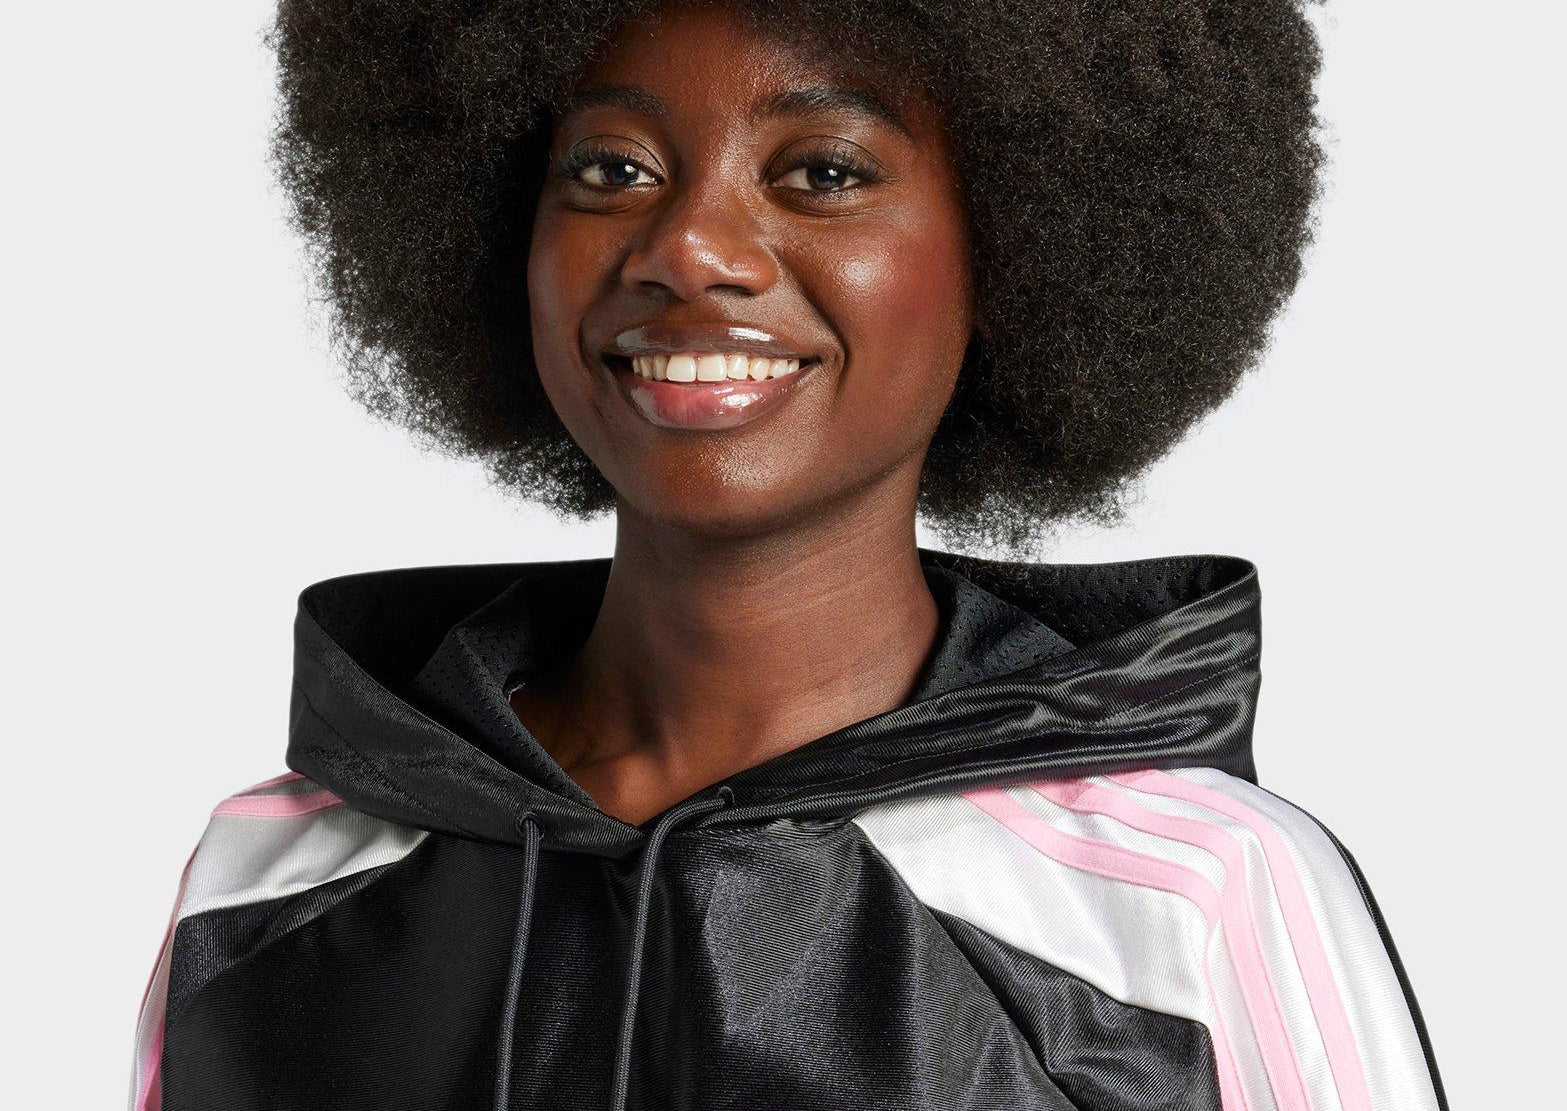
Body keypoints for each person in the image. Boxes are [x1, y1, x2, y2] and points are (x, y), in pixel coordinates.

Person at [127, 0, 1448, 1108]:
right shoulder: (274, 886)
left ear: (1013, 248)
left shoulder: (1190, 898)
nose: (688, 250)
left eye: (823, 172)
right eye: (614, 170)